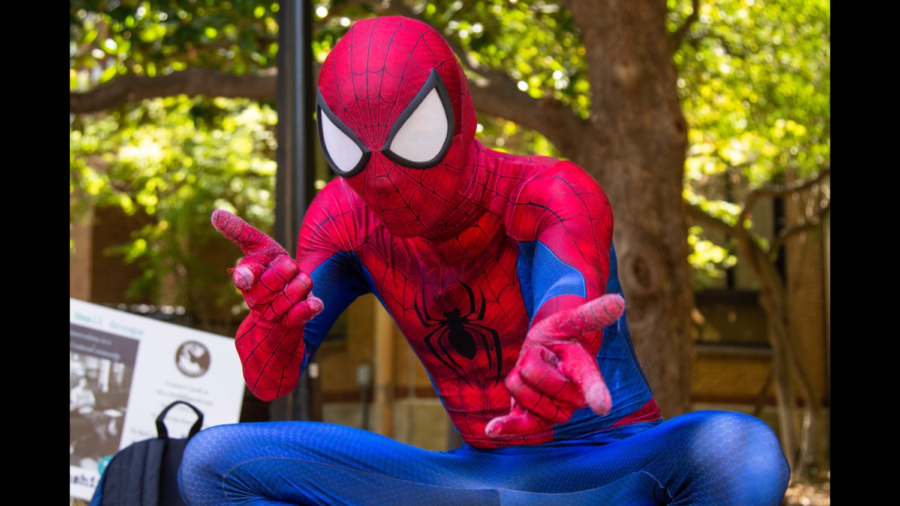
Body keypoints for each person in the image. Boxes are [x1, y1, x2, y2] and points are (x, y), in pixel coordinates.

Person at [179, 16, 789, 505]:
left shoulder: (549, 191)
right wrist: (271, 321)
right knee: (212, 465)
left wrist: (553, 336)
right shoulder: (343, 217)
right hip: (475, 480)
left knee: (741, 453)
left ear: (460, 115)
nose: (385, 179)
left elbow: (565, 290)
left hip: (608, 468)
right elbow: (269, 380)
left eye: (413, 136)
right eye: (350, 149)